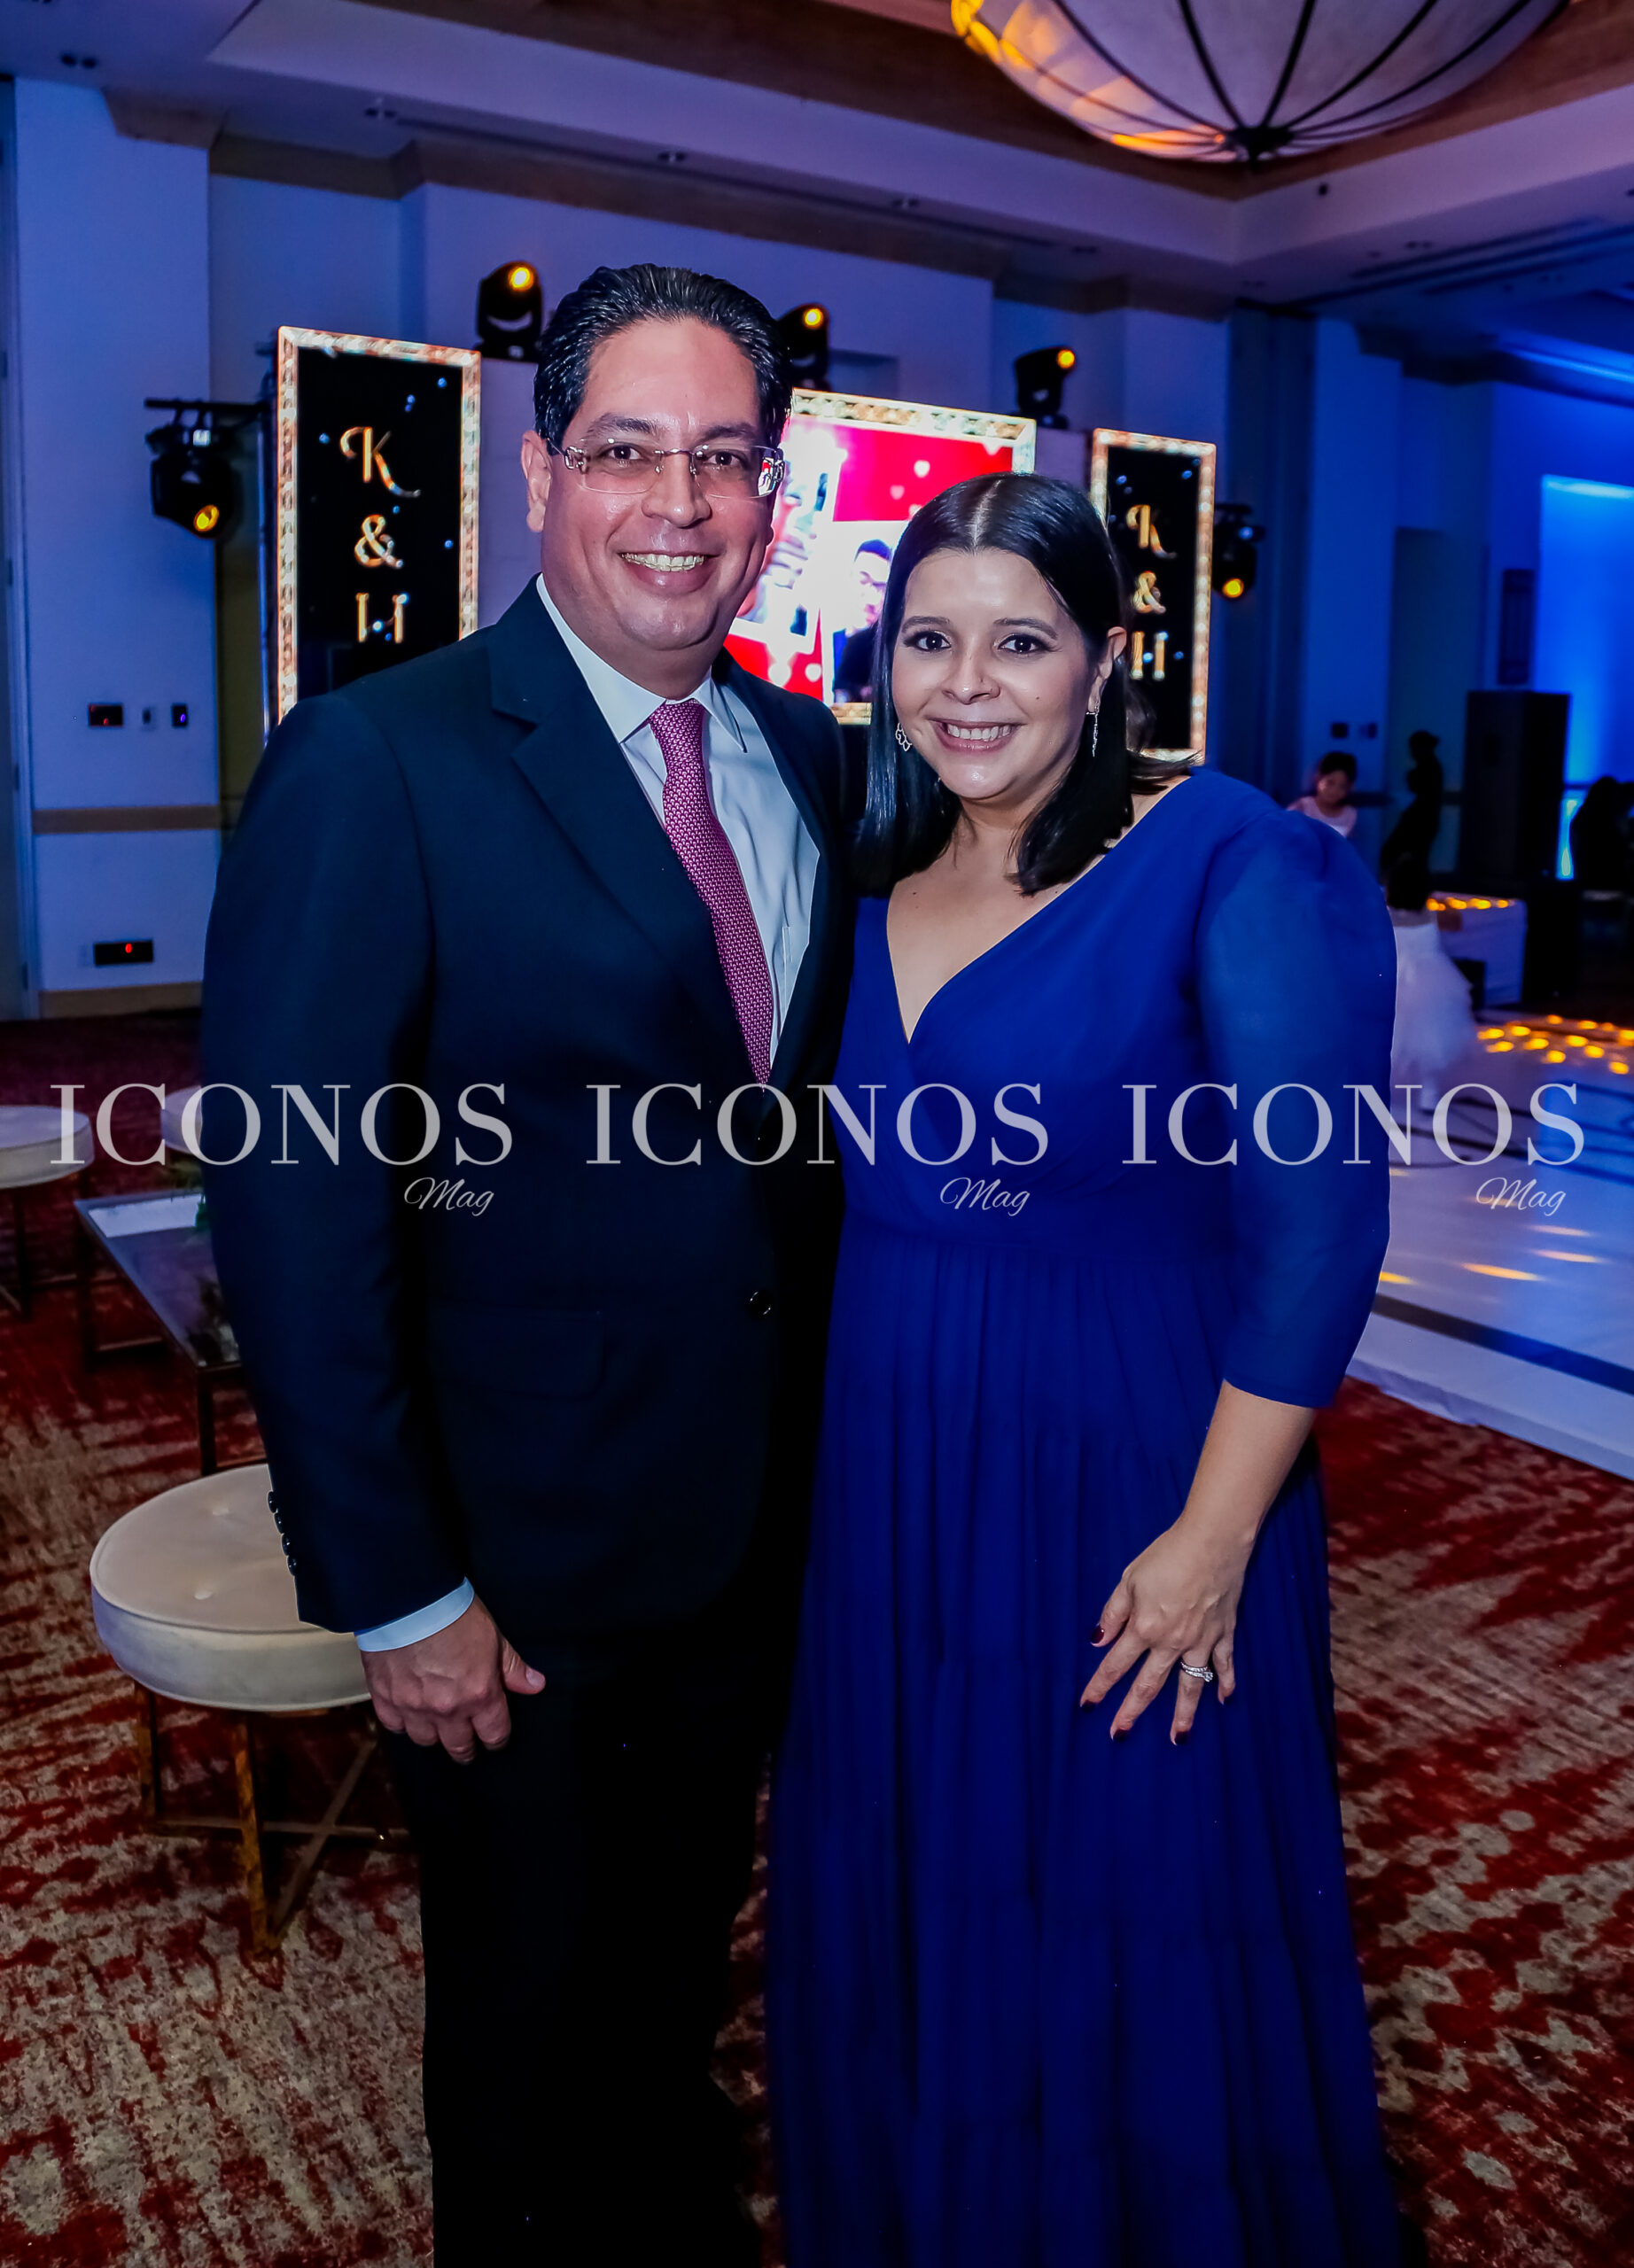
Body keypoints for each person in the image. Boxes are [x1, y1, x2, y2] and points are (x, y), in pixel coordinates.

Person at [200, 263, 854, 2266]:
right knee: (522, 2017)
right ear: (541, 464)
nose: (680, 502)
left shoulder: (813, 755)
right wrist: (400, 1587)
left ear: (772, 493)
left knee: (672, 1975)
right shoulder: (378, 757)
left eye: (723, 457)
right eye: (629, 449)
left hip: (751, 1537)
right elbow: (289, 1207)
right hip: (513, 1572)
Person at [769, 473, 1404, 2268]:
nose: (966, 684)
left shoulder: (1232, 859)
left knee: (1124, 1884)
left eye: (1019, 642)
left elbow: (1317, 1233)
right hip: (889, 1468)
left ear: (1107, 657)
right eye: (928, 640)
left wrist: (1211, 1540)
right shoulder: (873, 860)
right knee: (920, 1859)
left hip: (1131, 1465)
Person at [1386, 852, 1479, 1104]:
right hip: (1431, 981)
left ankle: (1378, 1087)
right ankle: (1429, 1092)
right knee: (1431, 1037)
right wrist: (1442, 900)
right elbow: (1458, 922)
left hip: (1393, 979)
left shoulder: (1385, 916)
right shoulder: (1433, 916)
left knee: (1390, 1035)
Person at [833, 537, 893, 699]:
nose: (872, 599)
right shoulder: (825, 646)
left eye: (881, 588)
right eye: (862, 581)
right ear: (848, 579)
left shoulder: (892, 657)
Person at [1379, 727, 1443, 875]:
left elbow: (1420, 792)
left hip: (1418, 822)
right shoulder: (1433, 767)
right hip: (1424, 822)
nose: (1411, 752)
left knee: (1394, 855)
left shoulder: (1427, 769)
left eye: (1414, 748)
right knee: (1416, 859)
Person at [1289, 747, 1358, 836]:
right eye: (1330, 783)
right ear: (1318, 778)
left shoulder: (1349, 814)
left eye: (1342, 786)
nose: (1334, 791)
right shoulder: (1302, 806)